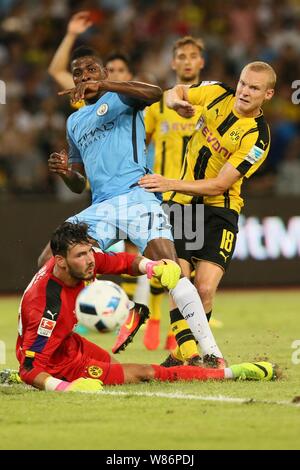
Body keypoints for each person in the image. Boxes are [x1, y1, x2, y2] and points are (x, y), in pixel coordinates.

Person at [39, 45, 226, 369]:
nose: (85, 77)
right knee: (49, 260)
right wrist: (67, 172)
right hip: (100, 207)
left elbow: (153, 92)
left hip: (136, 196)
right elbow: (79, 183)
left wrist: (107, 87)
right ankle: (43, 353)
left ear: (105, 74)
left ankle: (212, 355)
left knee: (171, 269)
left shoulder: (122, 98)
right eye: (79, 73)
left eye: (91, 70)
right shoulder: (74, 121)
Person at [13, 221, 275, 392]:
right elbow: (30, 367)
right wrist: (66, 388)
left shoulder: (78, 265)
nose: (91, 260)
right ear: (59, 261)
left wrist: (153, 267)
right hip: (56, 362)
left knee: (116, 372)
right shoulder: (46, 308)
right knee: (145, 373)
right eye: (81, 255)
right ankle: (233, 373)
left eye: (90, 251)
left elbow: (121, 262)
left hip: (68, 344)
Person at [139, 61, 276, 366]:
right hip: (184, 205)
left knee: (203, 289)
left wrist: (168, 182)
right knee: (178, 277)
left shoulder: (258, 138)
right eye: (242, 83)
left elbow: (219, 185)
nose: (244, 91)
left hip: (221, 209)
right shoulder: (216, 92)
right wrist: (177, 104)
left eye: (254, 88)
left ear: (268, 94)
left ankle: (178, 355)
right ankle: (193, 354)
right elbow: (175, 91)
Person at [143, 36, 206, 352]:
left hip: (201, 195)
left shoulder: (210, 102)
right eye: (181, 56)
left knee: (193, 271)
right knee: (173, 265)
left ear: (201, 63)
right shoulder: (159, 105)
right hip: (167, 196)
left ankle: (179, 332)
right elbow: (143, 142)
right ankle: (165, 326)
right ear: (173, 63)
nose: (187, 61)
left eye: (193, 56)